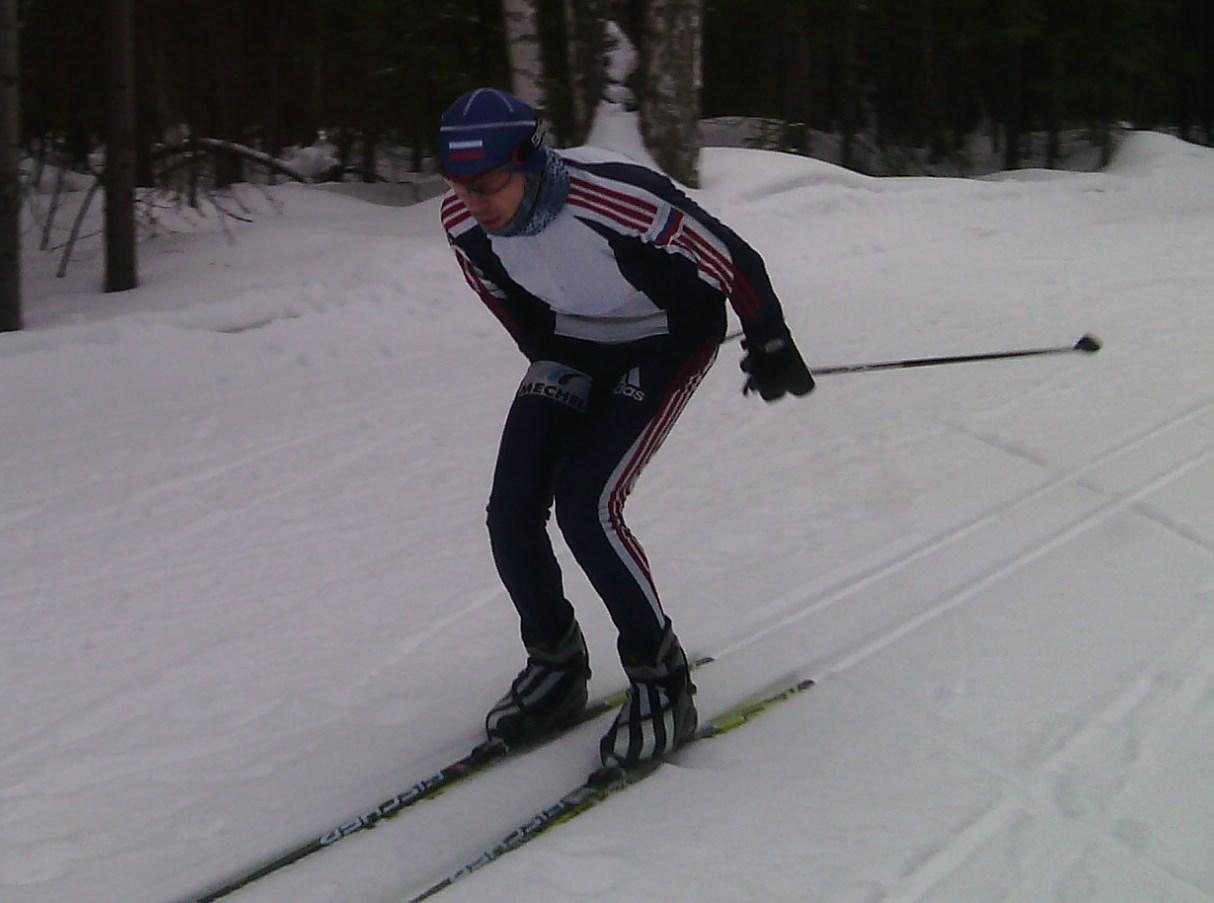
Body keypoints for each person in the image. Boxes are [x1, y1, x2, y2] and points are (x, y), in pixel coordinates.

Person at [438, 87, 814, 770]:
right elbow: (507, 303)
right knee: (511, 509)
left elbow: (732, 257)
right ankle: (556, 661)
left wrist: (771, 338)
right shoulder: (461, 222)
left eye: (489, 184)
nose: (474, 202)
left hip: (665, 338)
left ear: (527, 161)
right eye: (460, 186)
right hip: (572, 343)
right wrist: (563, 380)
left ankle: (661, 678)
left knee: (588, 505)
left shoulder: (616, 199)